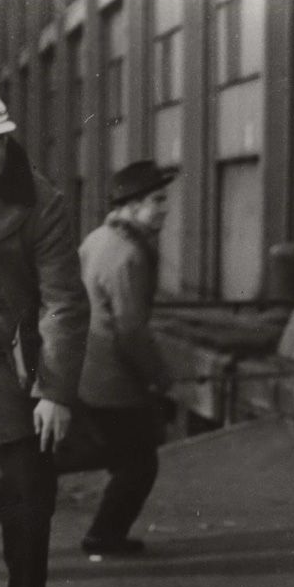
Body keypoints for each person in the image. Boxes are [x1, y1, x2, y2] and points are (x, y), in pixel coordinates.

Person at [0, 84, 89, 587]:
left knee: (27, 493)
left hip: (3, 363)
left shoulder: (38, 200)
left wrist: (55, 391)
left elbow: (63, 300)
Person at [75, 160, 176, 556]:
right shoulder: (127, 256)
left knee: (124, 457)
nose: (165, 207)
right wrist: (159, 377)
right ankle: (102, 536)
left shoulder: (98, 239)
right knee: (139, 465)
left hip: (87, 368)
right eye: (157, 200)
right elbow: (131, 330)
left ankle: (105, 533)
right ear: (131, 206)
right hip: (112, 378)